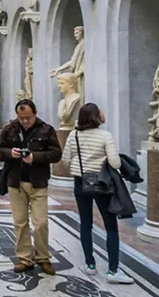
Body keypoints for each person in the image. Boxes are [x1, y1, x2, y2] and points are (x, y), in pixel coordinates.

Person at [61, 103, 134, 284]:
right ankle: (113, 270)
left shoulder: (74, 134)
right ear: (95, 117)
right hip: (102, 184)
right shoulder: (105, 136)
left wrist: (78, 169)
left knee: (86, 223)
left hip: (81, 182)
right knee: (110, 226)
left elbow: (65, 160)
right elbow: (115, 163)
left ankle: (90, 264)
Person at [0, 99, 62, 275]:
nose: (24, 121)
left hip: (38, 182)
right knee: (20, 222)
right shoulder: (10, 129)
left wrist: (35, 157)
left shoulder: (46, 130)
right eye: (21, 117)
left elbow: (56, 154)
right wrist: (11, 153)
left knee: (40, 222)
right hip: (15, 183)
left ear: (35, 113)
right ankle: (25, 258)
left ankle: (43, 257)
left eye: (28, 118)